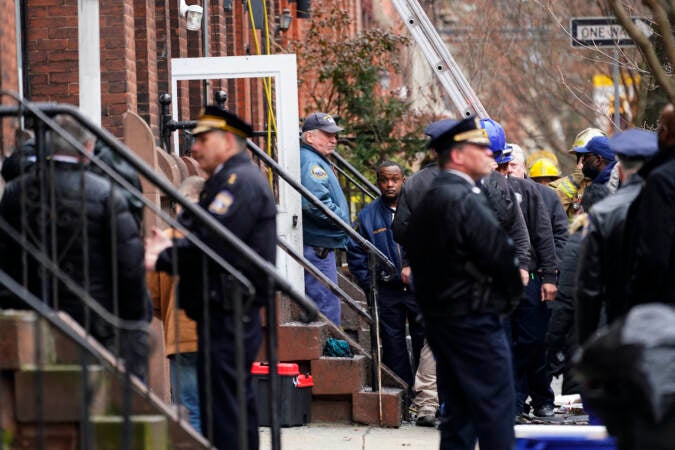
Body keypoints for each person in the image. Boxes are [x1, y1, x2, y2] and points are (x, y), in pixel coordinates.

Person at [145, 106, 276, 450]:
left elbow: (213, 243)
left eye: (203, 139)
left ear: (228, 141)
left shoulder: (238, 182)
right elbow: (198, 229)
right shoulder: (222, 182)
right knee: (223, 410)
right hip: (218, 311)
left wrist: (167, 255)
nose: (195, 149)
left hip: (229, 312)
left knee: (226, 413)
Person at [0, 114, 150, 378]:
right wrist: (135, 320)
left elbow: (6, 258)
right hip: (95, 319)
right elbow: (128, 265)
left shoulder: (15, 193)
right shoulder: (106, 194)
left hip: (34, 318)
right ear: (89, 147)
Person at [404, 116, 522, 450]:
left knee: (459, 415)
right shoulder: (465, 199)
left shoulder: (432, 199)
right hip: (476, 321)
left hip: (445, 323)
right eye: (481, 147)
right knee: (496, 411)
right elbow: (503, 260)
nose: (490, 154)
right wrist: (504, 304)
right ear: (457, 155)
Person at [492, 140, 559, 420]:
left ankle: (539, 397)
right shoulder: (486, 190)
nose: (508, 170)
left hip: (529, 279)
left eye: (513, 164)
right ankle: (515, 402)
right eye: (504, 164)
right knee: (505, 342)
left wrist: (549, 276)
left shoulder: (531, 193)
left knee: (533, 341)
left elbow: (544, 236)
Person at [576, 129, 658, 344]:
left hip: (619, 325)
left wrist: (586, 342)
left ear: (620, 170)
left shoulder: (602, 212)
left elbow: (589, 287)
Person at [346, 161, 425, 388]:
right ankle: (403, 392)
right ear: (378, 181)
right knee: (393, 345)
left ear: (404, 180)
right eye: (384, 180)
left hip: (418, 289)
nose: (389, 185)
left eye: (394, 179)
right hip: (387, 291)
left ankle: (425, 395)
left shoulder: (419, 210)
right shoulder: (367, 216)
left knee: (424, 341)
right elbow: (356, 254)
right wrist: (372, 283)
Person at [146, 176, 205, 432]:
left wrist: (170, 317)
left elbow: (153, 298)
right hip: (221, 336)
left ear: (179, 206)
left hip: (182, 336)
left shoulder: (166, 240)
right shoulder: (224, 238)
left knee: (189, 410)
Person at [622, 103, 675, 307]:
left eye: (660, 128)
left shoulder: (661, 180)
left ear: (667, 133)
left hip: (663, 305)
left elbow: (654, 254)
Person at [300, 112, 350, 326]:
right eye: (327, 134)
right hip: (317, 247)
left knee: (327, 301)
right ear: (310, 137)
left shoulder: (314, 159)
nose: (334, 140)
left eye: (335, 135)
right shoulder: (311, 162)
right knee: (327, 304)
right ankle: (332, 350)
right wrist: (342, 222)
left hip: (318, 244)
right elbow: (313, 202)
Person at [549, 128, 606, 220]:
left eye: (585, 156)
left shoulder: (616, 180)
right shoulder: (560, 186)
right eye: (579, 156)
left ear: (600, 158)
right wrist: (573, 182)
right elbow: (551, 213)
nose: (581, 162)